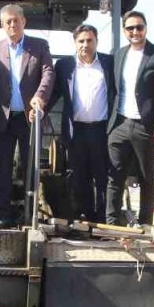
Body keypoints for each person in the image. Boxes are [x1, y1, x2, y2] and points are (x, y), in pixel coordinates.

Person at [0, 3, 54, 228]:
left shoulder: (39, 46)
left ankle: (30, 214)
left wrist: (40, 97)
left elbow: (48, 72)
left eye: (16, 20)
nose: (12, 25)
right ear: (2, 25)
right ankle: (4, 214)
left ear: (24, 22)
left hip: (29, 118)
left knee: (29, 167)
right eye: (8, 22)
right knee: (3, 168)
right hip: (3, 120)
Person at [106, 10, 154, 227]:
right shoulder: (118, 55)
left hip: (146, 125)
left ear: (146, 28)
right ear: (125, 31)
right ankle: (112, 221)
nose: (135, 32)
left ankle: (145, 222)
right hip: (119, 123)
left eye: (139, 27)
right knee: (114, 175)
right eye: (130, 28)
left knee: (147, 177)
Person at [51, 24, 115, 223]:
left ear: (97, 42)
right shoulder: (64, 65)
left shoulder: (109, 63)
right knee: (79, 176)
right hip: (75, 130)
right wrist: (37, 110)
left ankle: (103, 218)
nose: (85, 45)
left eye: (89, 40)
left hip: (102, 130)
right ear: (75, 43)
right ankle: (85, 216)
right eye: (81, 41)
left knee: (102, 176)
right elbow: (53, 93)